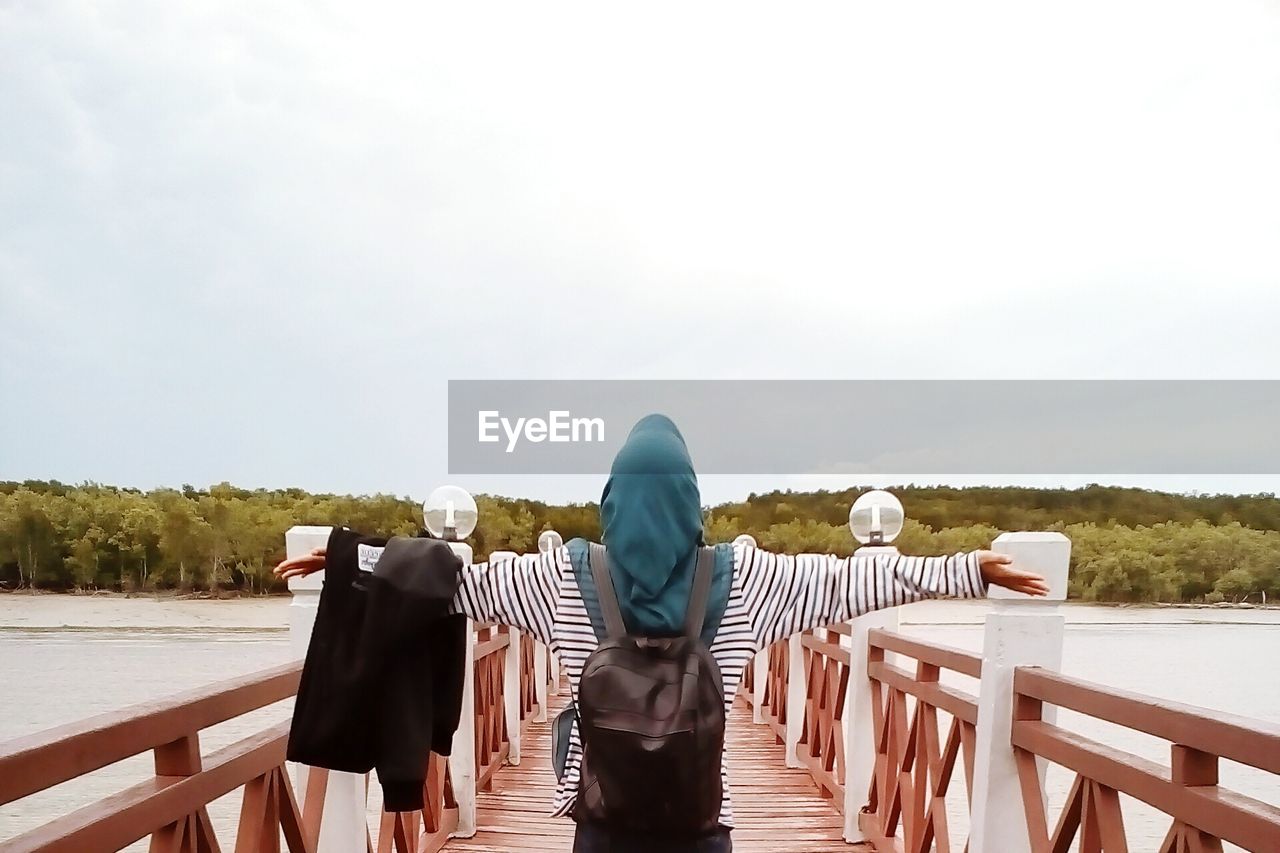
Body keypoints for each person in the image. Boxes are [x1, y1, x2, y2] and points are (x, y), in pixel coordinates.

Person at [275, 415, 1047, 852]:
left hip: (601, 825)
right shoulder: (745, 578)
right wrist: (966, 568)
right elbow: (855, 580)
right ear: (691, 501)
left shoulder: (562, 575)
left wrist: (352, 557)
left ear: (611, 500)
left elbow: (449, 581)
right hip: (702, 824)